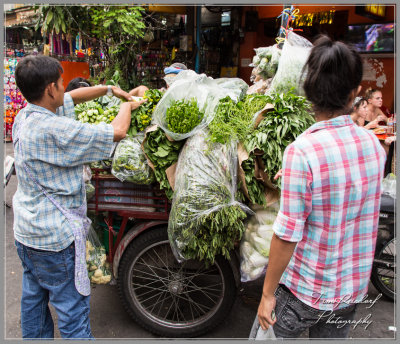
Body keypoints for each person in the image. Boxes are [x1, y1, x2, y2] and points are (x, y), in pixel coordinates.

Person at [255, 35, 386, 339]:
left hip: (305, 291)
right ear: (355, 93)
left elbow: (287, 235)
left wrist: (267, 294)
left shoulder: (303, 151)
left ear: (308, 92)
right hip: (349, 290)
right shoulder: (373, 146)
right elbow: (346, 190)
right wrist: (294, 177)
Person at [12, 55, 145, 339]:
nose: (64, 87)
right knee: (73, 317)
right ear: (50, 89)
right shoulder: (55, 129)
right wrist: (126, 104)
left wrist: (110, 89)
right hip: (55, 241)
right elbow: (117, 131)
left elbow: (73, 96)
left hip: (27, 235)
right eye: (60, 83)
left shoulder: (26, 116)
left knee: (34, 309)